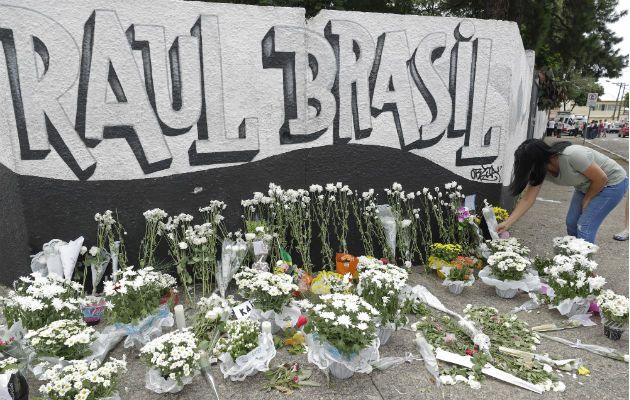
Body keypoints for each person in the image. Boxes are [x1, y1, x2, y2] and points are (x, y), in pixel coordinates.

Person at [496, 139, 628, 243]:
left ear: (538, 161)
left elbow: (601, 178)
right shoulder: (540, 170)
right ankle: (574, 259)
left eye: (528, 166)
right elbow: (527, 199)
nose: (528, 171)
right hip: (586, 186)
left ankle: (583, 269)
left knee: (585, 226)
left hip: (612, 183)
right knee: (572, 222)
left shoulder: (572, 156)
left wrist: (588, 198)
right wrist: (508, 223)